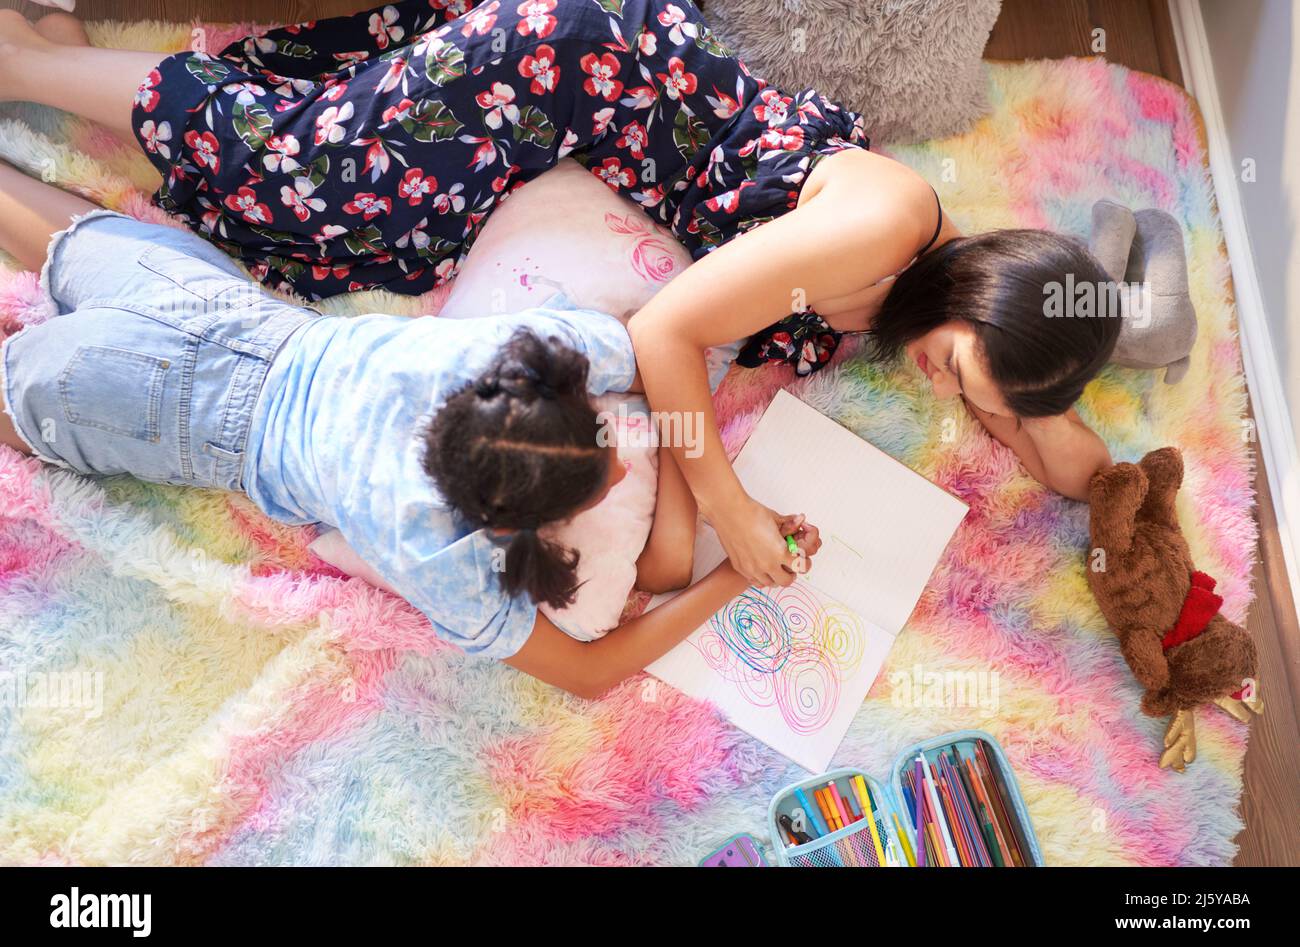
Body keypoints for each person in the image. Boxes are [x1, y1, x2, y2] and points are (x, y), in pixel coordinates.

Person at [0, 3, 1118, 593]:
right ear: (976, 293)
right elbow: (669, 332)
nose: (950, 391)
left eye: (978, 397)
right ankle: (23, 63)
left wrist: (1052, 427)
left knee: (347, 251)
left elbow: (1040, 414)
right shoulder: (882, 228)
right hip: (565, 69)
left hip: (583, 130)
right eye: (963, 373)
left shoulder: (947, 304)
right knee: (302, 174)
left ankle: (57, 50)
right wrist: (723, 505)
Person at [0, 160, 821, 698]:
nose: (621, 465)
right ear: (501, 525)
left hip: (215, 312)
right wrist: (736, 576)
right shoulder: (438, 549)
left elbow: (654, 347)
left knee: (68, 238)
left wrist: (721, 510)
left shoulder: (510, 356)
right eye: (609, 461)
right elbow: (594, 671)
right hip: (162, 411)